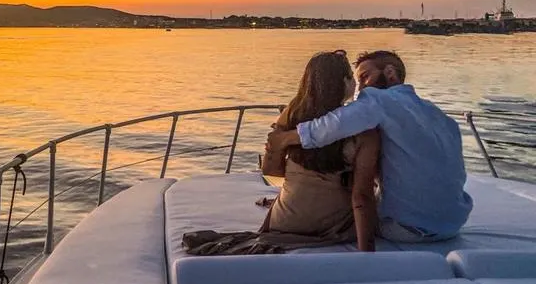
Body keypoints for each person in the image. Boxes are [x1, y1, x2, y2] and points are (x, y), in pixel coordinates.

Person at [182, 51, 380, 255]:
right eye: (352, 78)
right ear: (345, 82)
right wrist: (367, 254)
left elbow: (271, 170)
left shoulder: (293, 115)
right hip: (330, 226)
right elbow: (362, 197)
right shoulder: (365, 131)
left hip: (285, 222)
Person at [268, 50, 473, 243]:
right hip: (452, 224)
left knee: (358, 199)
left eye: (365, 77)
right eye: (357, 81)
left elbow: (331, 126)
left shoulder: (378, 99)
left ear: (390, 73)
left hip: (405, 229)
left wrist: (285, 139)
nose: (360, 88)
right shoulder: (438, 115)